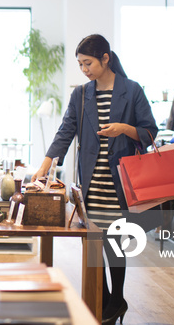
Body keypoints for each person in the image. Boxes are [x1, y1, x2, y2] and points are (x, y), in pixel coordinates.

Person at [30, 34, 157, 325]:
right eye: (80, 64)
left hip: (120, 181)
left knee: (115, 241)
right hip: (90, 181)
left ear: (105, 59)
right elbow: (66, 131)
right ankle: (102, 299)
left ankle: (117, 299)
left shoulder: (132, 90)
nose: (84, 69)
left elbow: (150, 133)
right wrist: (46, 163)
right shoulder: (82, 94)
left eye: (88, 63)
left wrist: (125, 128)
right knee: (93, 242)